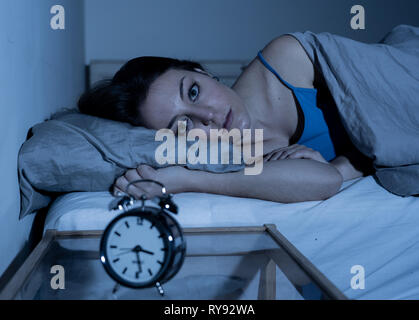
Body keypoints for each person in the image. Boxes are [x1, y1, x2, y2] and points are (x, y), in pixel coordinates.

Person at [78, 35, 373, 203]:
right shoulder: (240, 157)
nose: (209, 116)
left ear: (202, 72)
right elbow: (327, 180)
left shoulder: (286, 59)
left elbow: (386, 115)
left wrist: (346, 164)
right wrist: (188, 179)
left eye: (194, 92)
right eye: (183, 125)